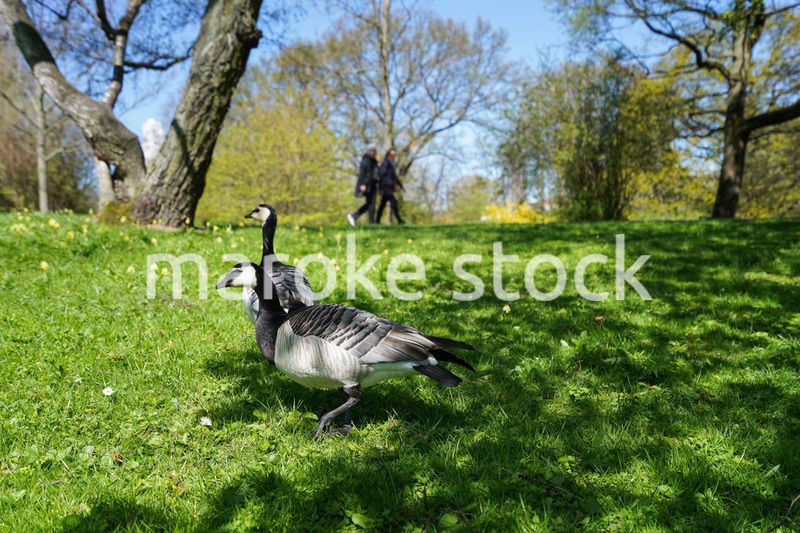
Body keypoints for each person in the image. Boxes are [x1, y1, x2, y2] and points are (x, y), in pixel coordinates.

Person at [347, 145, 379, 226]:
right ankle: (354, 215)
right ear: (370, 151)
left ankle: (371, 222)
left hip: (373, 184)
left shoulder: (374, 161)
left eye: (375, 151)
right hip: (367, 185)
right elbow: (362, 174)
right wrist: (363, 184)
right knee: (370, 204)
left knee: (371, 204)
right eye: (373, 151)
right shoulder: (366, 160)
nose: (375, 153)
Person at [376, 147, 405, 225]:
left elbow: (394, 176)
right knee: (394, 202)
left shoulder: (392, 164)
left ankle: (377, 221)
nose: (393, 156)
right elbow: (381, 175)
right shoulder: (385, 163)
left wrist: (401, 186)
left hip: (389, 187)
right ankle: (399, 220)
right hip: (385, 187)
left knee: (382, 204)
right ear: (388, 154)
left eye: (394, 155)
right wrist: (380, 188)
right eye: (392, 154)